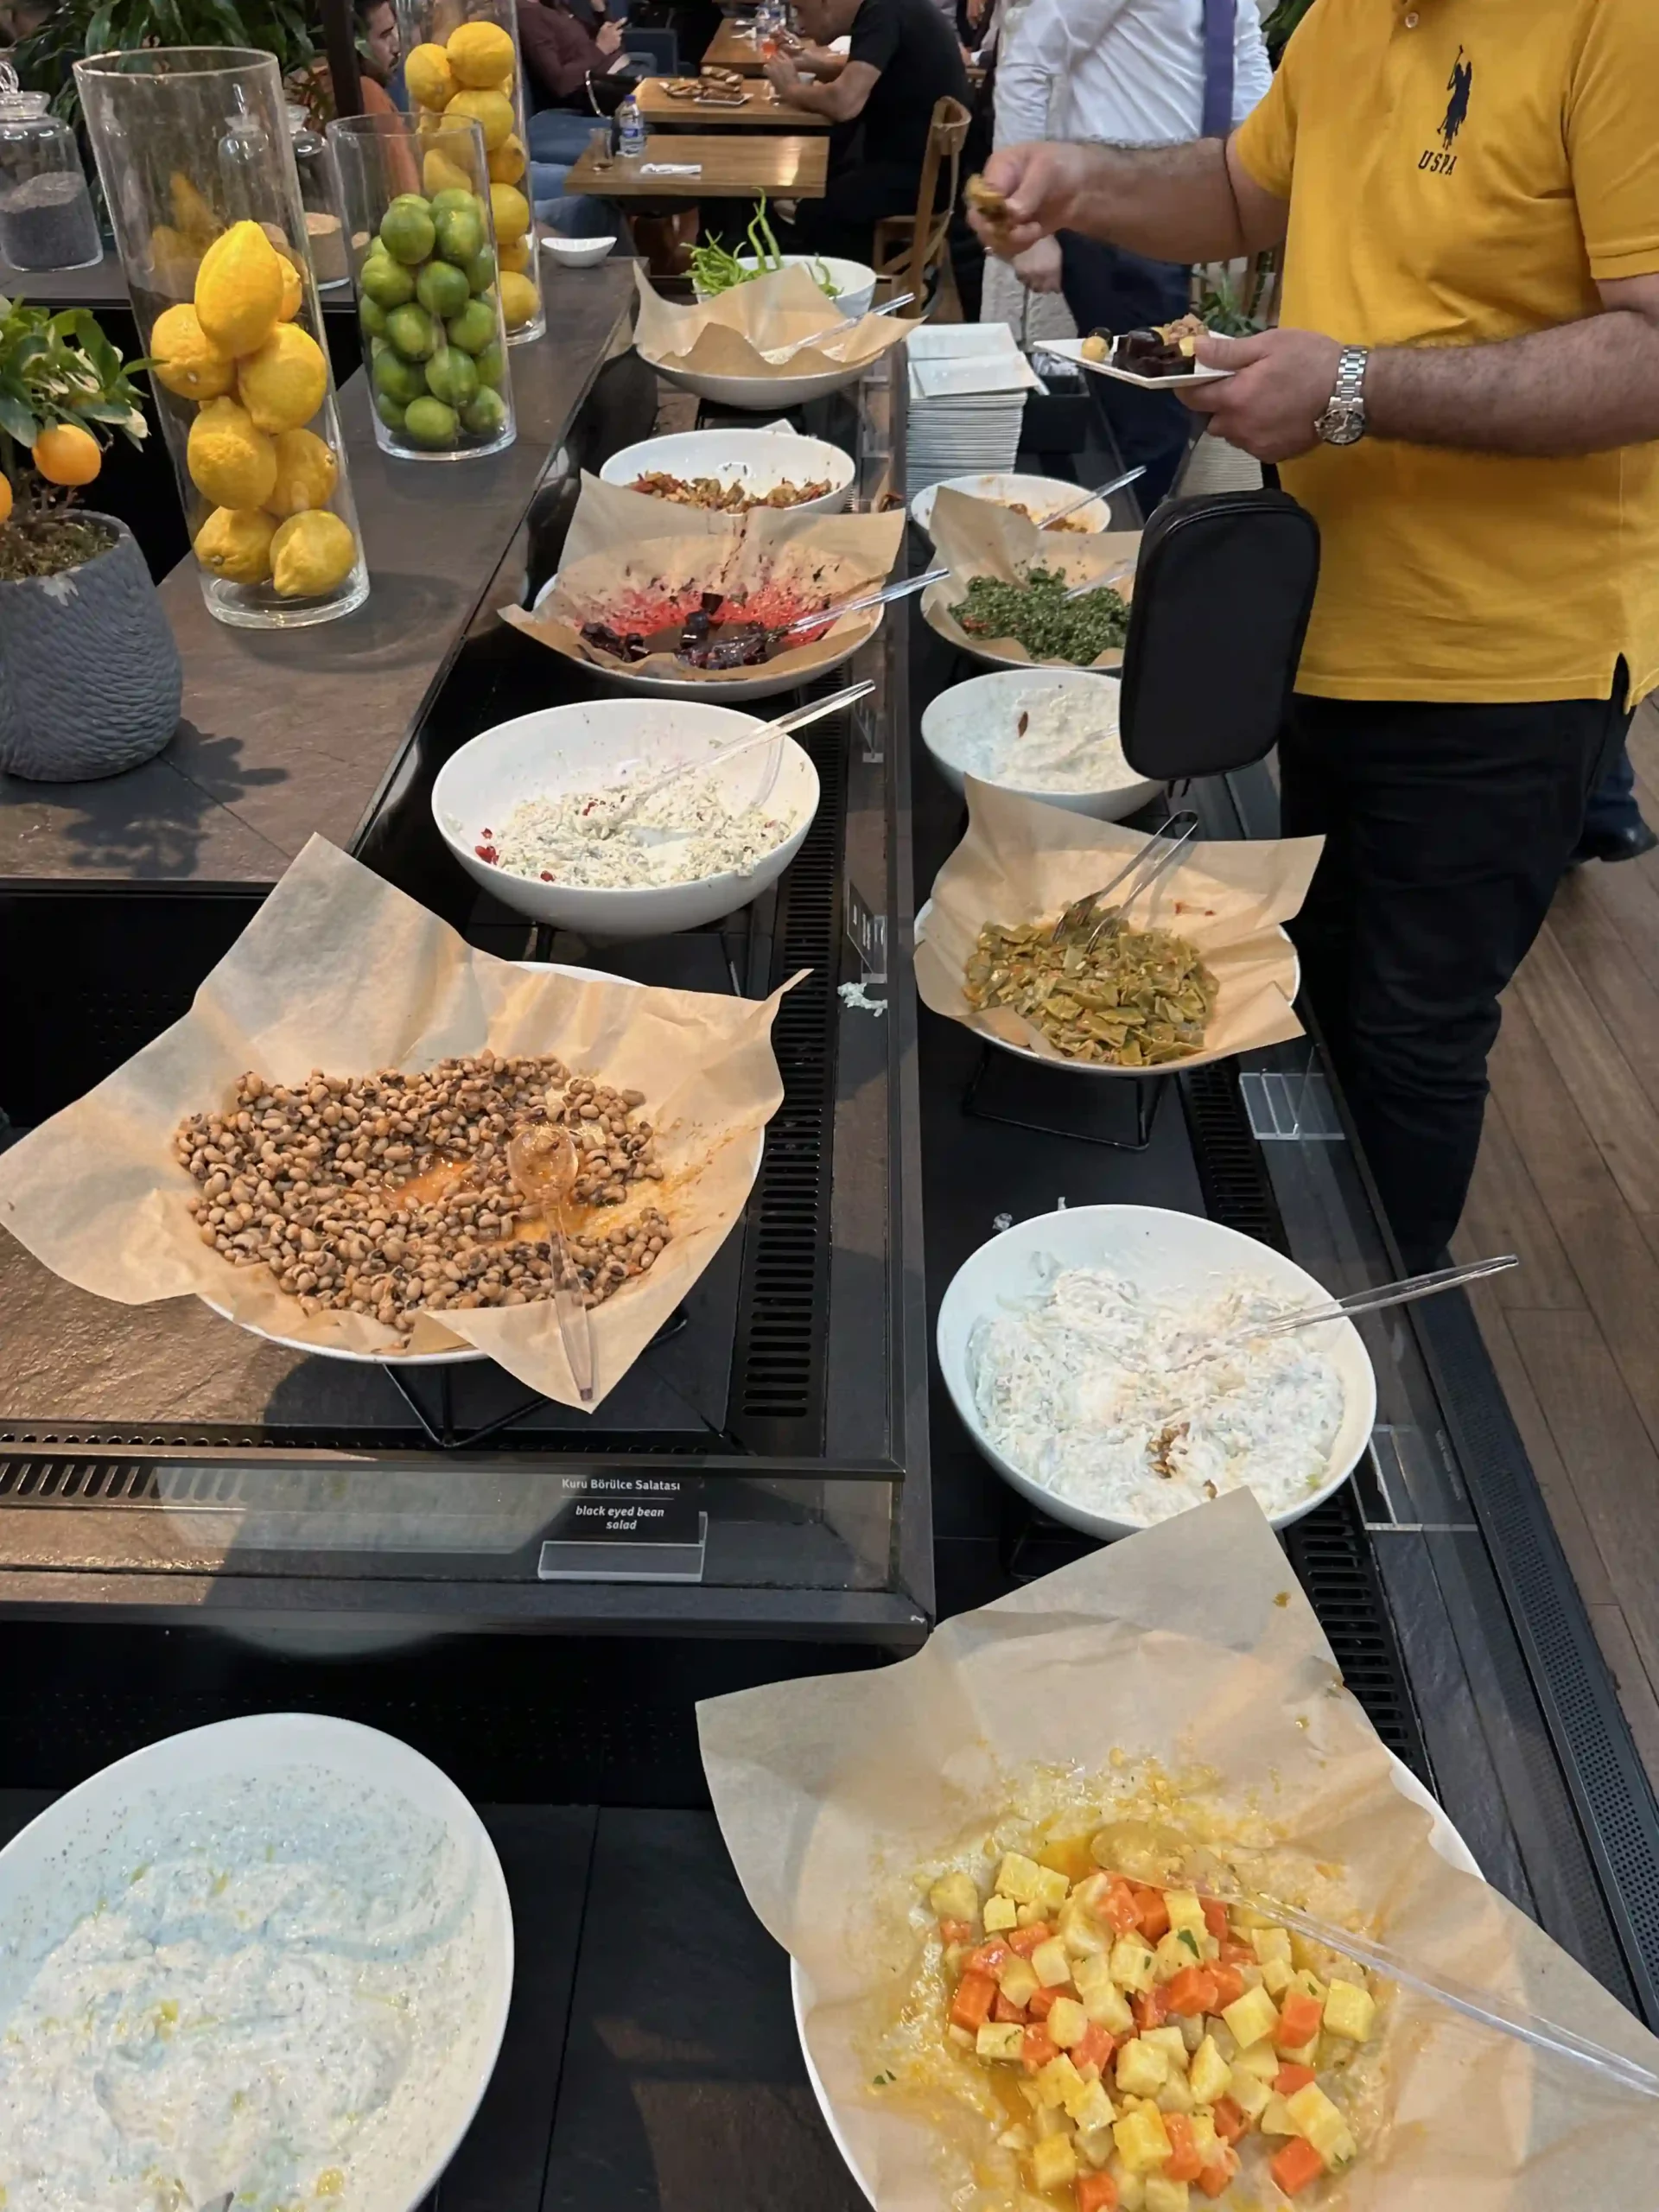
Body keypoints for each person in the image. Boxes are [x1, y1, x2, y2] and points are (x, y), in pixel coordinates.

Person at [969, 0, 1659, 1270]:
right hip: (1327, 612)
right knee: (1318, 989)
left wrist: (1355, 388)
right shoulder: (1358, 13)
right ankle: (1282, 1300)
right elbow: (1241, 189)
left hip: (1507, 663)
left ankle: (1361, 1350)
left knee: (1408, 1036)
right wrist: (1083, 178)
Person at [995, 0, 1269, 509]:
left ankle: (1123, 545)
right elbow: (1029, 56)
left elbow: (1246, 69)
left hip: (1189, 207)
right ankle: (1129, 561)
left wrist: (1273, 185)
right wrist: (1025, 223)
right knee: (1152, 414)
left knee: (1147, 409)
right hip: (1116, 216)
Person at [760, 0, 970, 269]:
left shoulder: (882, 12)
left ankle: (854, 294)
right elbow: (872, 74)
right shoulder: (886, 9)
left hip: (915, 179)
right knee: (826, 172)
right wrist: (811, 63)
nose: (799, 24)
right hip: (924, 167)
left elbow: (845, 102)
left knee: (814, 210)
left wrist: (790, 89)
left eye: (800, 10)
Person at [519, 0, 629, 109]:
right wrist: (600, 49)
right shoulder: (528, 14)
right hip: (597, 87)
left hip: (619, 68)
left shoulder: (554, 6)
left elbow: (614, 44)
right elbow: (560, 83)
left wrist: (600, 11)